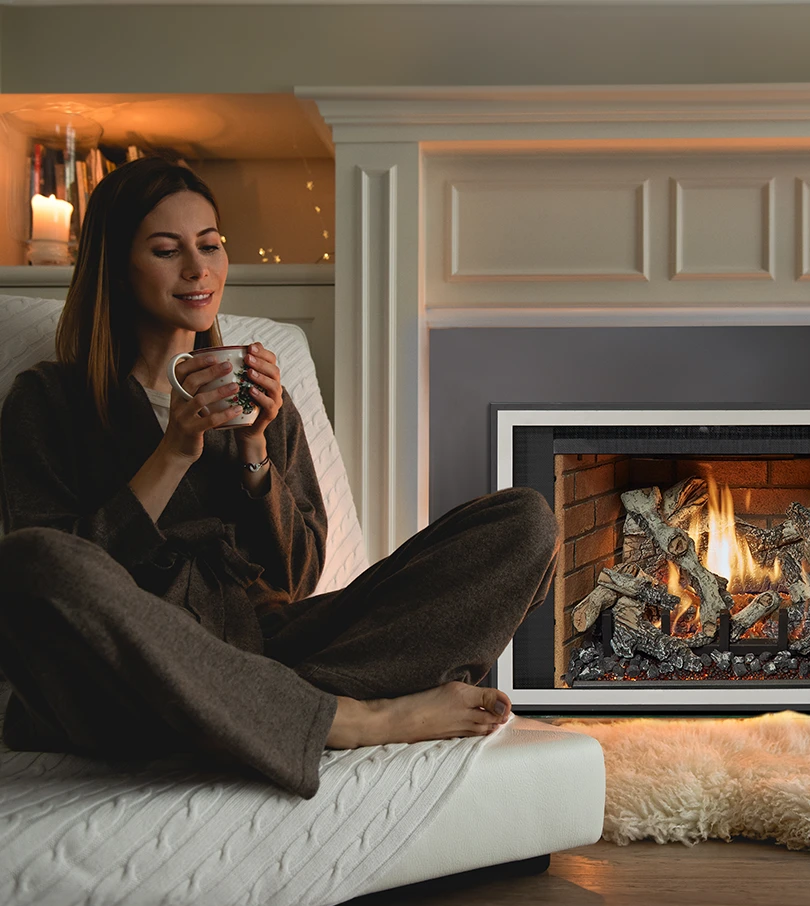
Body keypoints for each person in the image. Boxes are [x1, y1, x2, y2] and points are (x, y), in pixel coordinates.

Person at [0, 157, 559, 799]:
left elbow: (294, 578)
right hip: (135, 656)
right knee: (30, 564)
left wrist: (254, 448)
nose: (198, 268)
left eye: (210, 245)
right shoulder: (50, 401)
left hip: (269, 646)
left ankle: (250, 710)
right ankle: (353, 716)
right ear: (115, 267)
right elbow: (67, 577)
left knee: (524, 521)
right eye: (166, 249)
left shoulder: (259, 398)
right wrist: (175, 451)